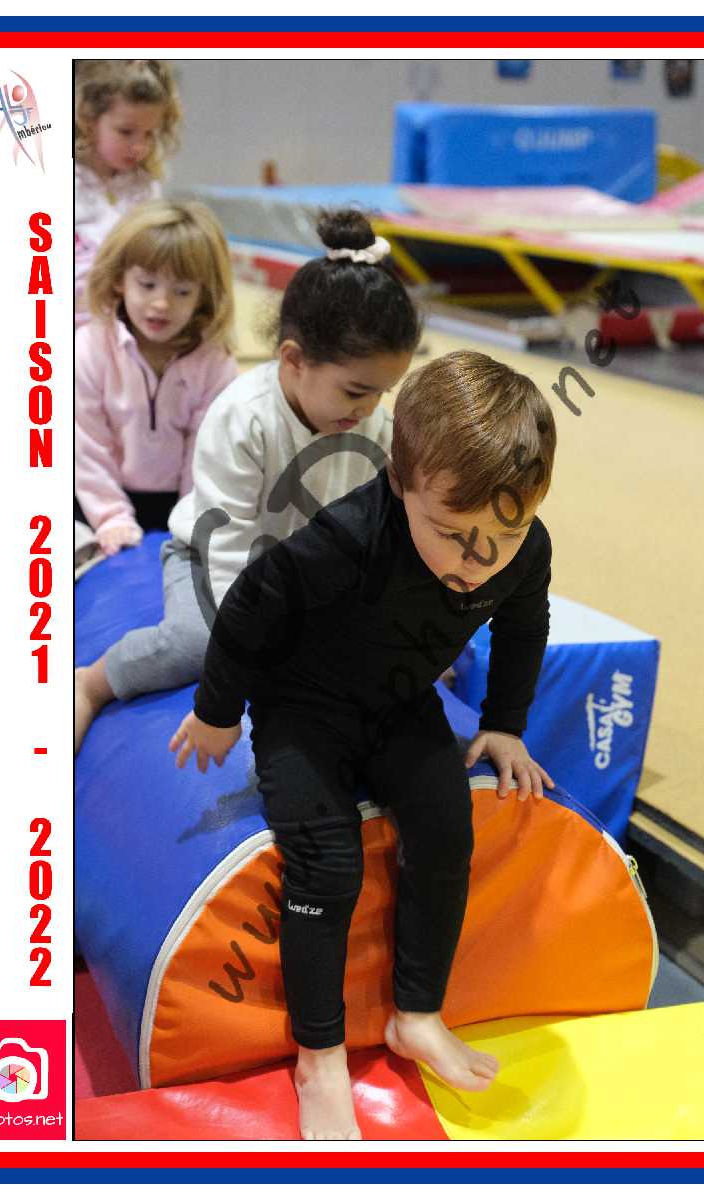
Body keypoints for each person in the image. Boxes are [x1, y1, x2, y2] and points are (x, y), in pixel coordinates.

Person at [170, 349, 557, 1140]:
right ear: (399, 483)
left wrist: (505, 723)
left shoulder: (526, 549)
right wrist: (217, 711)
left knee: (447, 828)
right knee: (329, 862)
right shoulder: (348, 537)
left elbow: (525, 626)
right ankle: (319, 1057)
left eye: (504, 533)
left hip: (399, 703)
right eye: (452, 534)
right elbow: (249, 606)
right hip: (302, 709)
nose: (477, 558)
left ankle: (417, 1015)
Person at [75, 210, 420, 753]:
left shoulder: (373, 424)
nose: (369, 406)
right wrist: (259, 632)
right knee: (196, 643)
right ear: (293, 360)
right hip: (211, 557)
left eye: (383, 391)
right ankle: (91, 684)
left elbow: (386, 527)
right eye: (356, 391)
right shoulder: (243, 417)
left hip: (303, 571)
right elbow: (226, 542)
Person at [75, 199, 238, 559]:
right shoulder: (88, 348)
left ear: (203, 295)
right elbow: (87, 447)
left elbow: (206, 453)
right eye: (147, 285)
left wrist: (193, 520)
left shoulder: (214, 363)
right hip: (96, 498)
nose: (162, 303)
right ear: (119, 280)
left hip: (177, 502)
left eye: (182, 291)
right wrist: (111, 517)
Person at [74, 59, 182, 322]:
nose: (139, 146)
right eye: (126, 132)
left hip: (129, 321)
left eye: (149, 134)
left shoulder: (145, 185)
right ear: (89, 121)